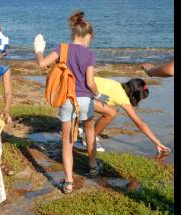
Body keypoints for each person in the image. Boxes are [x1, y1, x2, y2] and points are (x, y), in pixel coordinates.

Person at [34, 11, 108, 193]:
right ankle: (92, 166)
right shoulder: (90, 55)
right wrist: (99, 96)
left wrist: (38, 49)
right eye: (91, 37)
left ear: (73, 33)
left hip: (67, 99)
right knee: (89, 132)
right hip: (85, 100)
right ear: (88, 35)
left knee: (66, 141)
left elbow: (42, 64)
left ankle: (68, 182)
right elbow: (90, 82)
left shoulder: (62, 49)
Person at [74, 77, 171, 160]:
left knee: (111, 111)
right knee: (111, 113)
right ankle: (89, 139)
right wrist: (157, 143)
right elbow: (139, 123)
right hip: (76, 95)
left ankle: (86, 133)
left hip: (75, 88)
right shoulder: (122, 98)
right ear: (134, 95)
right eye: (140, 99)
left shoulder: (117, 85)